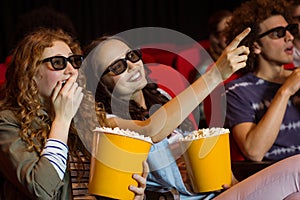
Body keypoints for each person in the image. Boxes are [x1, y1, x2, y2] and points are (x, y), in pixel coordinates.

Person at [82, 27, 300, 199]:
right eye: (117, 67)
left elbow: (197, 148)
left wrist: (229, 179)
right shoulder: (108, 123)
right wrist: (215, 74)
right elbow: (150, 130)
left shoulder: (160, 97)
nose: (132, 66)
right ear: (102, 84)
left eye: (131, 55)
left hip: (217, 192)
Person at [0, 28, 148, 200]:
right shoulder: (8, 122)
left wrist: (134, 194)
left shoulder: (87, 114)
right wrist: (62, 119)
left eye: (74, 61)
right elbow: (41, 189)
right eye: (58, 62)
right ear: (30, 73)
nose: (71, 70)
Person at [224, 0, 300, 162]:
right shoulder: (237, 90)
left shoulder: (297, 77)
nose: (290, 37)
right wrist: (285, 92)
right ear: (256, 45)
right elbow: (254, 151)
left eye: (290, 30)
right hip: (276, 176)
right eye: (278, 33)